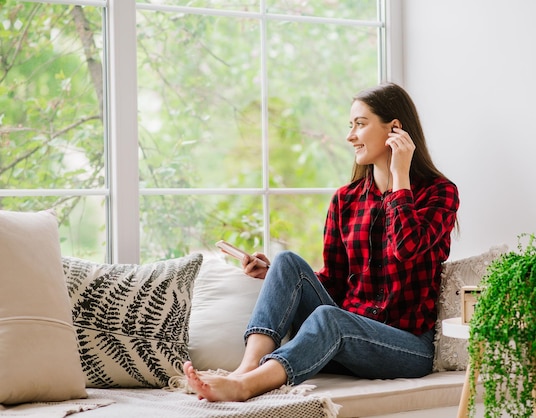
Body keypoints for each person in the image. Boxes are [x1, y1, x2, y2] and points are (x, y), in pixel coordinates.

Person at [183, 82, 460, 402]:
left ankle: (248, 386)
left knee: (332, 319)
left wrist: (401, 178)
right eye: (350, 125)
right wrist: (275, 276)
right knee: (287, 262)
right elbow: (335, 281)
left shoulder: (440, 193)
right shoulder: (345, 200)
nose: (350, 135)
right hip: (345, 339)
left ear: (394, 129)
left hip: (406, 347)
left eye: (360, 124)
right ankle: (243, 369)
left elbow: (406, 248)